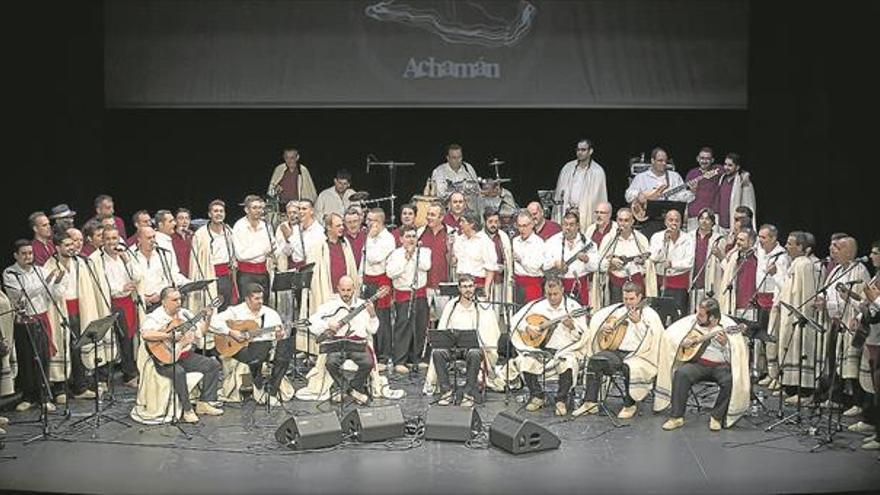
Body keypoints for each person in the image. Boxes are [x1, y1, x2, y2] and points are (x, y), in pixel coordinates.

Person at [656, 298, 750, 431]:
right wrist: (683, 342)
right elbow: (672, 337)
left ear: (712, 318)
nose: (697, 317)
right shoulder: (691, 324)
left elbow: (735, 359)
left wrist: (724, 346)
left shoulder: (728, 328)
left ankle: (716, 417)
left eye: (701, 315)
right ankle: (676, 417)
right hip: (698, 364)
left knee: (730, 380)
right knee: (681, 374)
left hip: (720, 367)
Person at [572, 282, 663, 419]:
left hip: (639, 355)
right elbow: (603, 325)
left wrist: (638, 323)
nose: (628, 302)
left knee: (629, 368)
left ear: (639, 297)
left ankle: (630, 404)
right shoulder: (618, 311)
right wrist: (605, 329)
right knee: (596, 360)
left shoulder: (650, 314)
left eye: (631, 299)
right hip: (617, 352)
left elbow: (652, 340)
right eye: (625, 298)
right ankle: (590, 402)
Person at [140, 287, 223, 423]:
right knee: (179, 372)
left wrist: (207, 317)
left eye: (180, 299)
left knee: (212, 365)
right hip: (164, 359)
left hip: (184, 355)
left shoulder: (185, 314)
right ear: (164, 302)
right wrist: (169, 336)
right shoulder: (155, 316)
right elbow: (146, 334)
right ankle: (187, 409)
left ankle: (205, 402)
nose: (178, 302)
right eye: (174, 300)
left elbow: (200, 332)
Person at [2, 240, 66, 411]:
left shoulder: (40, 270)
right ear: (16, 255)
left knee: (43, 358)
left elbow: (53, 295)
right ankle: (28, 397)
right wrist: (46, 281)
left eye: (30, 253)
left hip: (42, 317)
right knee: (27, 359)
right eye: (24, 254)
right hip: (24, 321)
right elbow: (21, 294)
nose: (28, 257)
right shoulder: (10, 273)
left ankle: (44, 397)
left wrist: (57, 282)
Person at [510, 277, 588, 416]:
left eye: (555, 294)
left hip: (565, 349)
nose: (552, 298)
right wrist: (528, 328)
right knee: (524, 361)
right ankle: (537, 396)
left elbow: (583, 335)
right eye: (549, 294)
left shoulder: (573, 307)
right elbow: (515, 321)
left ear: (562, 290)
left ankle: (561, 400)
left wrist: (572, 327)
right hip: (541, 349)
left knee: (568, 362)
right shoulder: (537, 305)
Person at [210, 283, 292, 405]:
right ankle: (258, 389)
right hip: (238, 348)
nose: (260, 302)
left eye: (261, 298)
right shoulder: (235, 311)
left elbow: (277, 334)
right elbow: (213, 321)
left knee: (284, 353)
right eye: (256, 299)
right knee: (256, 352)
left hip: (263, 348)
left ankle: (272, 392)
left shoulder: (270, 313)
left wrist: (280, 335)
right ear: (247, 299)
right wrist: (231, 332)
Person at [815, 236, 871, 413]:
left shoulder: (860, 271)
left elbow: (865, 301)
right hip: (834, 321)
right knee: (833, 361)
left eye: (837, 248)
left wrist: (850, 299)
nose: (832, 250)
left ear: (848, 251)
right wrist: (822, 302)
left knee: (851, 364)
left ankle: (856, 402)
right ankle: (836, 398)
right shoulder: (837, 270)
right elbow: (827, 291)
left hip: (850, 323)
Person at [428, 275, 500, 406]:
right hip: (453, 347)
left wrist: (481, 340)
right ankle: (446, 392)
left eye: (471, 286)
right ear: (459, 289)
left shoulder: (482, 306)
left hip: (472, 348)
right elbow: (443, 328)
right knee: (437, 352)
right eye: (465, 287)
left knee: (474, 353)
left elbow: (490, 331)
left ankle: (468, 393)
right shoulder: (451, 305)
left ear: (475, 287)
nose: (468, 290)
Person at [766, 231, 821, 401]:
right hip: (789, 313)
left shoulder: (804, 264)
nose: (787, 246)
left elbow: (806, 293)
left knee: (800, 350)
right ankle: (790, 387)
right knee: (789, 350)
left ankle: (803, 391)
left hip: (799, 316)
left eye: (791, 244)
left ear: (801, 247)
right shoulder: (796, 262)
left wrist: (803, 315)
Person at [307, 276, 376, 405]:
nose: (346, 293)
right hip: (337, 344)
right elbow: (312, 323)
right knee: (331, 363)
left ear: (354, 289)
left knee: (368, 363)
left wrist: (372, 314)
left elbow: (373, 330)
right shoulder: (329, 306)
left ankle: (350, 389)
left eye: (349, 290)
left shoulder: (363, 305)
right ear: (338, 289)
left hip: (357, 344)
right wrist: (328, 325)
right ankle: (353, 391)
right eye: (343, 290)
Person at [386, 226, 431, 374]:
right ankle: (400, 359)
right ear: (401, 239)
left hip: (420, 293)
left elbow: (426, 266)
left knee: (420, 326)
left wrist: (413, 254)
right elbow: (392, 273)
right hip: (403, 293)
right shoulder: (395, 254)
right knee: (403, 327)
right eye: (408, 236)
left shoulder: (424, 252)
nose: (411, 239)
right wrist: (406, 258)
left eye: (413, 236)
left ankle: (415, 358)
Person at [596, 208, 656, 304]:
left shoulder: (641, 239)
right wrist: (610, 262)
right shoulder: (609, 238)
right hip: (616, 284)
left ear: (632, 221)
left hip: (636, 284)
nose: (623, 223)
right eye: (620, 220)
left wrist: (642, 262)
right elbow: (599, 262)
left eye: (626, 220)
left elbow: (649, 262)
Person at [360, 208, 396, 366]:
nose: (367, 223)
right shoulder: (369, 236)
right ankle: (371, 350)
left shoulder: (387, 238)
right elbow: (364, 258)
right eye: (367, 220)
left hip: (381, 281)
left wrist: (371, 237)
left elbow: (374, 258)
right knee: (368, 316)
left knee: (381, 318)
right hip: (367, 280)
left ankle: (384, 355)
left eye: (370, 220)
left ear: (379, 222)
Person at [305, 213, 359, 315]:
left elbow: (352, 268)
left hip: (345, 293)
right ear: (329, 227)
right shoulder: (319, 245)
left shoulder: (345, 243)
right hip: (328, 292)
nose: (342, 228)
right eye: (338, 226)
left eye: (342, 225)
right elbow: (314, 274)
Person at [190, 200, 237, 312]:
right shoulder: (200, 234)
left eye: (221, 211)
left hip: (226, 276)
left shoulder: (228, 231)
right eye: (215, 211)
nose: (219, 214)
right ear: (209, 214)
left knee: (226, 309)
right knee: (211, 308)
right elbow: (195, 262)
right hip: (209, 275)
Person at [553, 139, 608, 232]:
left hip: (585, 214)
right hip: (567, 211)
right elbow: (559, 194)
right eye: (578, 150)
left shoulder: (597, 171)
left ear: (590, 151)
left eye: (583, 150)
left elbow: (599, 199)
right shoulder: (568, 168)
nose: (580, 152)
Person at [625, 147, 694, 222]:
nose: (664, 163)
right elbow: (628, 195)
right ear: (652, 161)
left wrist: (692, 192)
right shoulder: (641, 177)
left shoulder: (675, 177)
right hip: (649, 220)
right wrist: (639, 195)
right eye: (660, 161)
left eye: (665, 161)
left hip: (671, 219)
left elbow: (684, 198)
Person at [544, 212, 598, 307]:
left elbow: (595, 266)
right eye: (565, 224)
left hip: (579, 285)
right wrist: (555, 263)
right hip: (558, 284)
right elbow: (543, 264)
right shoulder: (552, 241)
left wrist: (587, 260)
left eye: (571, 225)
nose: (568, 228)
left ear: (578, 226)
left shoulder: (587, 242)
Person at [649, 208, 694, 319]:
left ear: (681, 223)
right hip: (661, 281)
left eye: (677, 220)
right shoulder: (657, 237)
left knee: (678, 315)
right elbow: (653, 257)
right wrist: (664, 242)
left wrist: (673, 264)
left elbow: (689, 261)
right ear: (665, 222)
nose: (674, 223)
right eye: (671, 220)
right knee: (660, 315)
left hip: (679, 282)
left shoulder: (688, 238)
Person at [232, 195, 274, 304]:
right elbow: (241, 255)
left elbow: (272, 246)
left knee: (264, 305)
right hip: (246, 274)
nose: (258, 211)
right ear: (247, 210)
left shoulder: (266, 226)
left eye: (260, 208)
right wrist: (263, 250)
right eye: (254, 208)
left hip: (263, 273)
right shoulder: (239, 227)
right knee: (247, 307)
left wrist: (265, 250)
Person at [451, 211, 497, 297]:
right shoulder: (459, 240)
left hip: (477, 284)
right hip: (461, 284)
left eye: (463, 221)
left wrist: (486, 289)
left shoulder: (485, 241)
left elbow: (490, 268)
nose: (460, 224)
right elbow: (453, 261)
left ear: (471, 224)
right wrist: (449, 246)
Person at [689, 208, 725, 311]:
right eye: (701, 218)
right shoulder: (689, 237)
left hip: (709, 282)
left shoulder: (719, 240)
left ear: (713, 223)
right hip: (692, 281)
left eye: (708, 219)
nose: (704, 221)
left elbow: (724, 263)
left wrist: (719, 254)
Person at [715, 152, 756, 234]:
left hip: (736, 226)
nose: (726, 167)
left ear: (737, 167)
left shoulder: (743, 181)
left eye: (730, 165)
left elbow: (749, 206)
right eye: (725, 164)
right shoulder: (722, 179)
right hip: (721, 226)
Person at [684, 147, 723, 232]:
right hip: (694, 215)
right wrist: (692, 191)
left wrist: (745, 173)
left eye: (707, 159)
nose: (704, 161)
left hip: (712, 215)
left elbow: (732, 170)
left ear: (712, 160)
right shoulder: (692, 173)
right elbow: (685, 196)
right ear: (697, 159)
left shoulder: (718, 170)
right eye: (702, 158)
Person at [511, 211, 546, 304]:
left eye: (525, 226)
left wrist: (521, 260)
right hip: (516, 286)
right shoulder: (514, 241)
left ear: (532, 225)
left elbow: (535, 268)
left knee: (531, 315)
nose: (522, 229)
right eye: (519, 226)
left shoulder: (539, 243)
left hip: (532, 285)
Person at [171, 208, 194, 277]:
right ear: (175, 221)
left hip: (193, 276)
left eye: (187, 218)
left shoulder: (194, 237)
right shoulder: (170, 238)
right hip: (178, 278)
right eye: (181, 218)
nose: (185, 221)